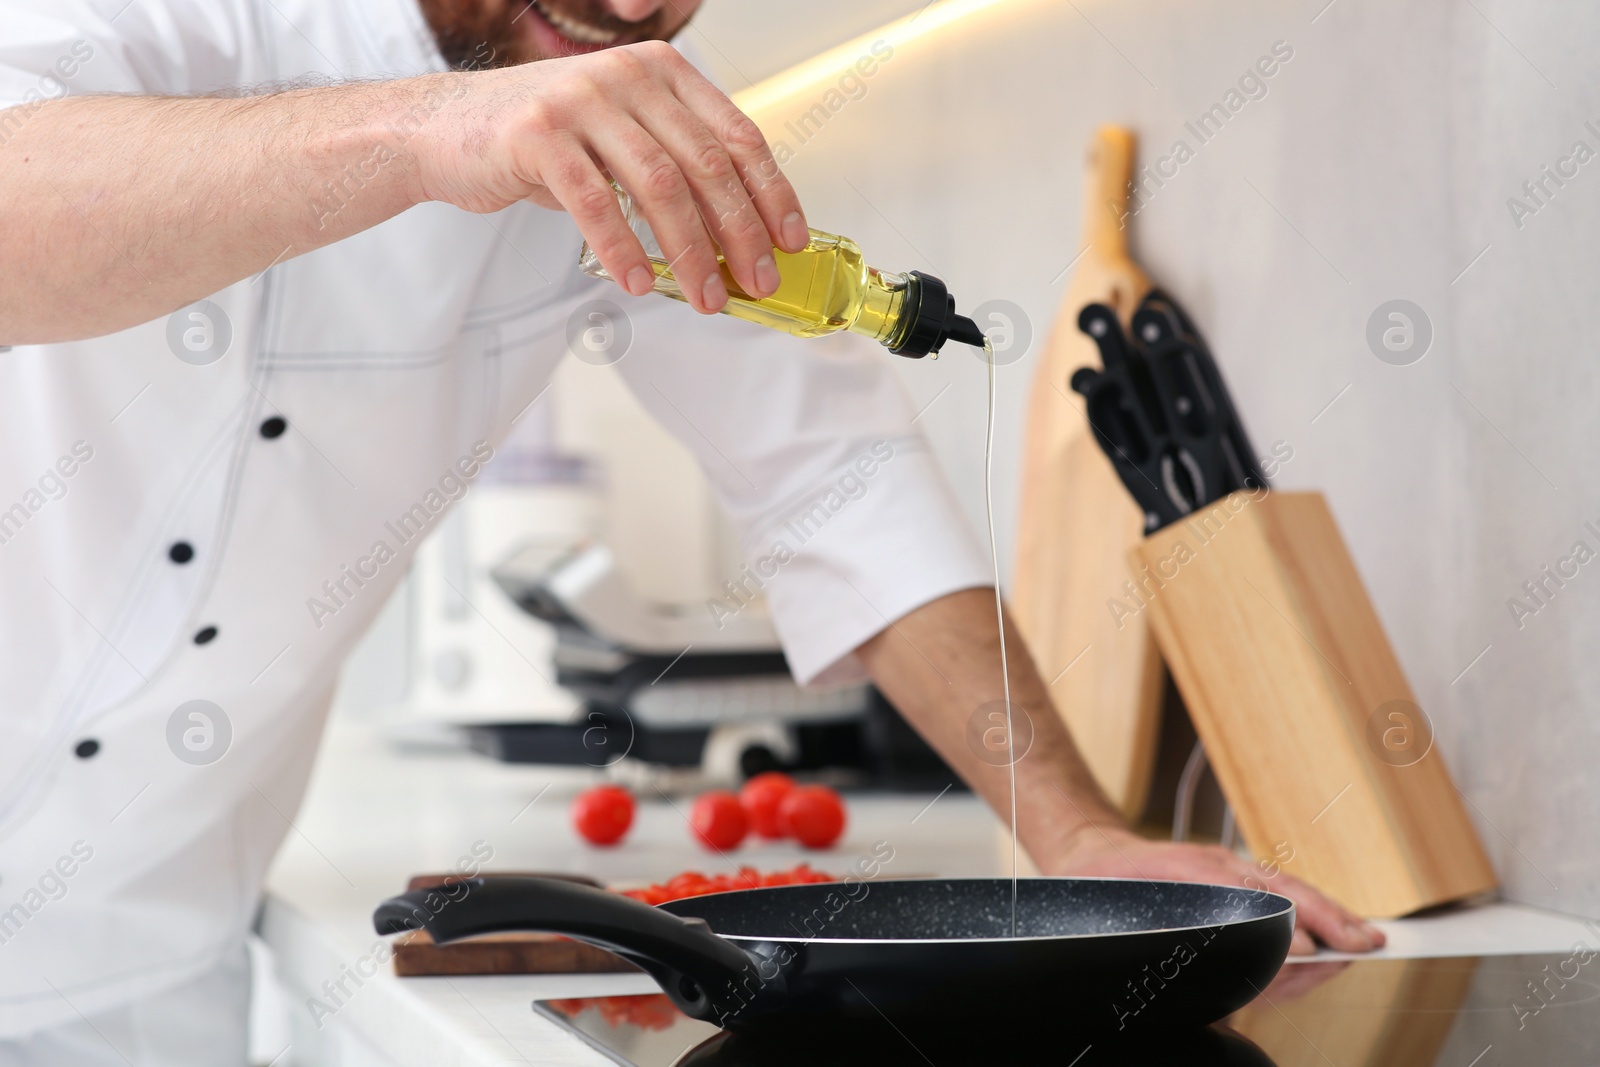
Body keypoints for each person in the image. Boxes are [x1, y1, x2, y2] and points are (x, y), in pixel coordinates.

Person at [0, 0, 1382, 1059]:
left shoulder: (646, 137)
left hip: (142, 971)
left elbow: (839, 478)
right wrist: (429, 133)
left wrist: (1079, 840)